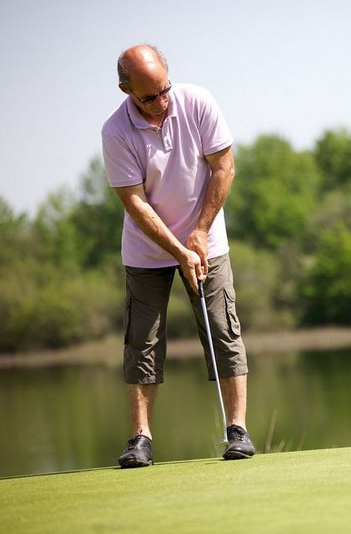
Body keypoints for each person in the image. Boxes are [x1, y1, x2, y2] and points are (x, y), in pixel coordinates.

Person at [101, 44, 255, 467]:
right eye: (149, 97)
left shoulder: (198, 102)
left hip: (207, 238)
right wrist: (176, 247)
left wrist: (200, 232)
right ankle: (140, 440)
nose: (161, 102)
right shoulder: (116, 131)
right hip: (145, 249)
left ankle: (237, 430)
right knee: (142, 341)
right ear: (125, 89)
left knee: (223, 329)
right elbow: (134, 202)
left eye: (164, 89)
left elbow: (224, 168)